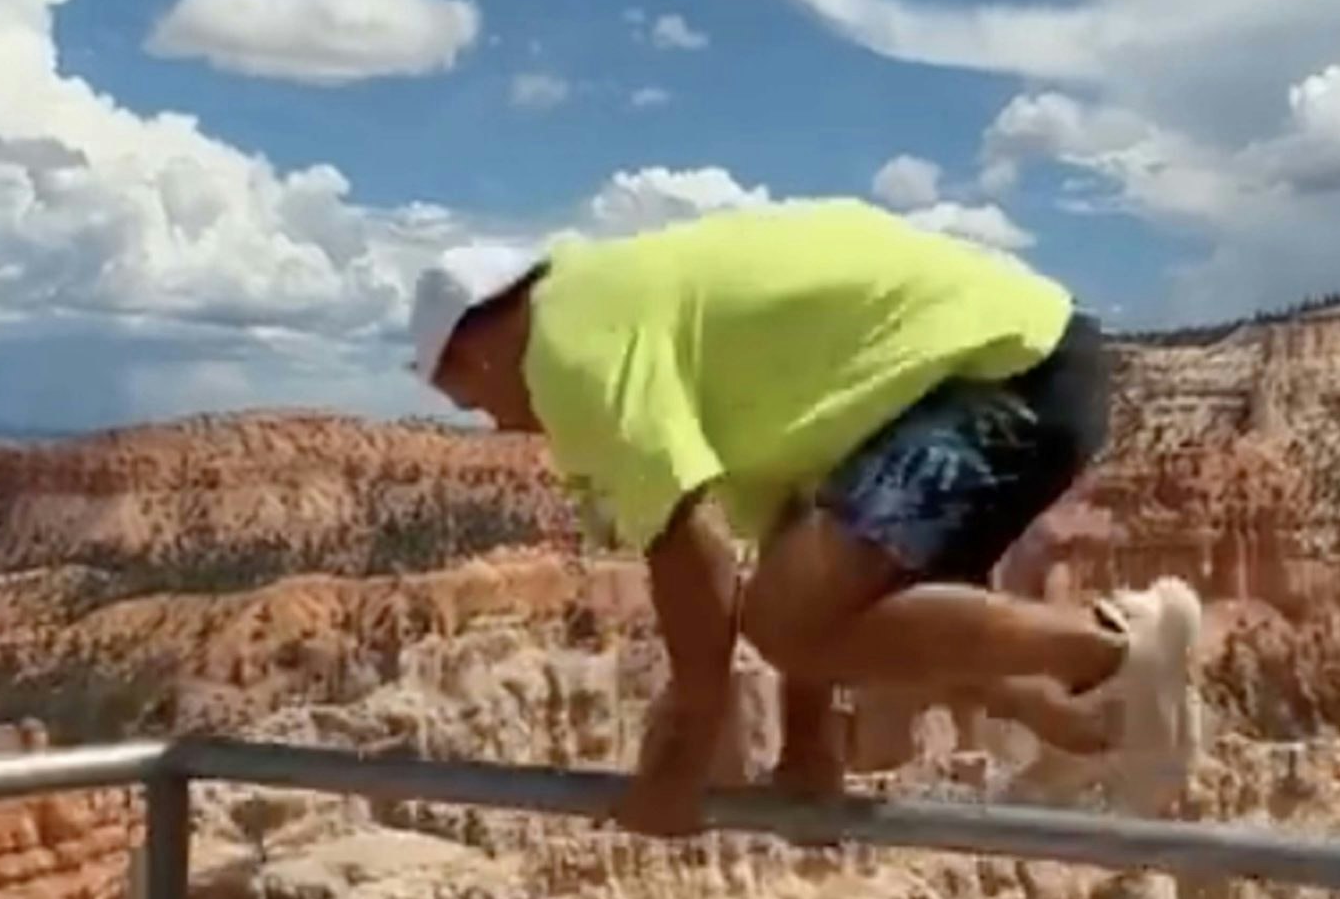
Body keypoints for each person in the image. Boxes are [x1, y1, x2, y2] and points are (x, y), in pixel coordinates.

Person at [406, 198, 1202, 838]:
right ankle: (1082, 721)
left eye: (468, 402)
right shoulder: (635, 319)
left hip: (1002, 378)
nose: (500, 424)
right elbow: (794, 548)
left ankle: (1121, 651)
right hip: (1032, 367)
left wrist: (678, 769)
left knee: (785, 620)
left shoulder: (567, 348)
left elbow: (692, 560)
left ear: (468, 355)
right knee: (826, 616)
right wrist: (808, 745)